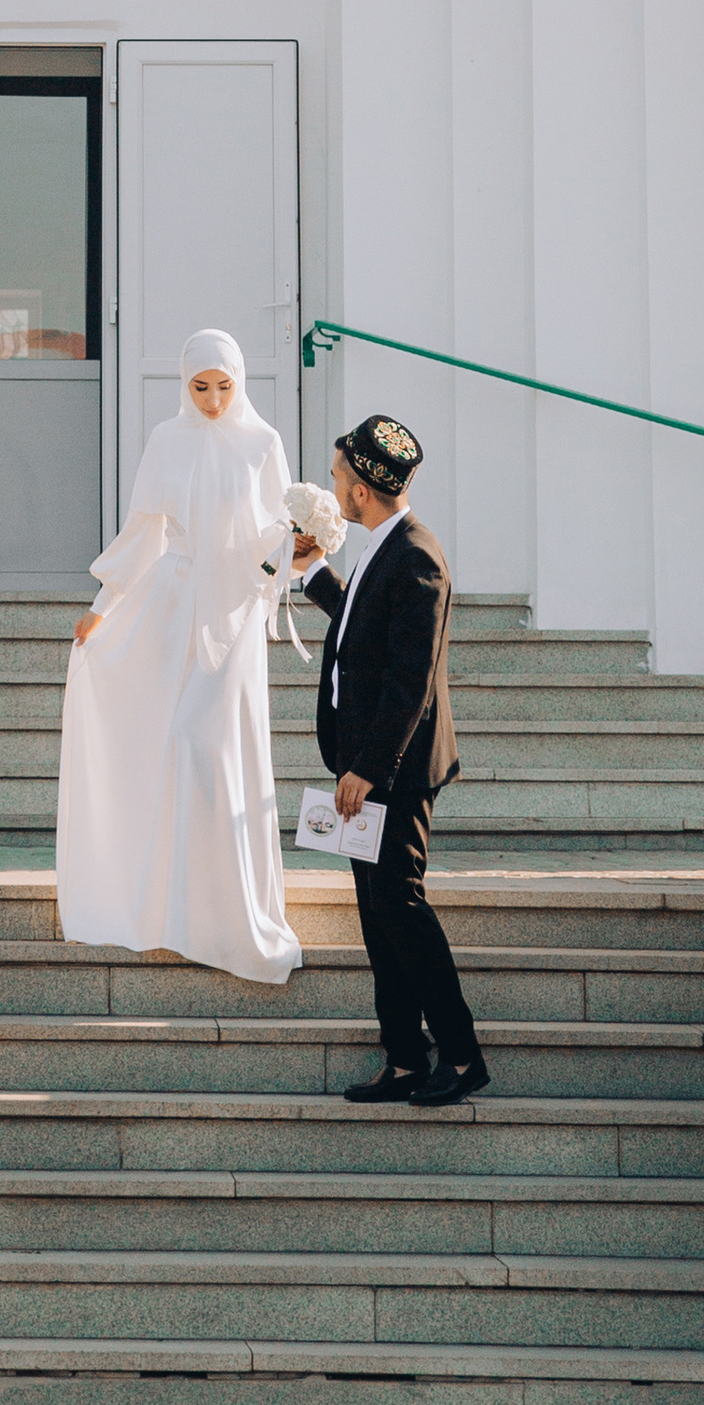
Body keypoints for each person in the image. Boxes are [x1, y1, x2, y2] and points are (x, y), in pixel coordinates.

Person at [56, 328, 303, 984]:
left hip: (236, 610)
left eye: (225, 385)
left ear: (241, 381)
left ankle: (224, 913)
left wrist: (300, 552)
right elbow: (144, 533)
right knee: (175, 745)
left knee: (211, 745)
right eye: (201, 386)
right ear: (184, 384)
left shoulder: (264, 443)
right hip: (176, 602)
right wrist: (102, 606)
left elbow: (279, 539)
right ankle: (173, 907)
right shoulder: (168, 440)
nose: (215, 399)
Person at [291, 413, 491, 1105]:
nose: (337, 484)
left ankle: (461, 1057)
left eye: (343, 476)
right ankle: (405, 1056)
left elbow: (410, 679)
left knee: (401, 907)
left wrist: (370, 768)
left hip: (394, 773)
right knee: (378, 915)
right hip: (365, 769)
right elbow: (361, 627)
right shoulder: (384, 546)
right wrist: (311, 570)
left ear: (361, 492)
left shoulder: (417, 556)